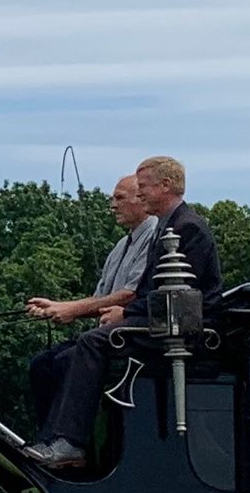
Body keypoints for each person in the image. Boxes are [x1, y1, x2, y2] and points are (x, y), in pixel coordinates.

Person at [22, 156, 223, 468]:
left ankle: (72, 443)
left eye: (143, 187)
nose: (140, 194)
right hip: (160, 321)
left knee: (93, 342)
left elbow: (177, 295)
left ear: (165, 186)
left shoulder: (187, 228)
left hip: (184, 330)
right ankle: (54, 438)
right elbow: (150, 291)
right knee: (55, 358)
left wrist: (125, 316)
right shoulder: (169, 226)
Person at [24, 174, 159, 429]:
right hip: (101, 335)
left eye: (119, 198)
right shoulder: (121, 245)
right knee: (41, 364)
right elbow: (100, 299)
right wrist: (56, 307)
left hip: (130, 337)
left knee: (67, 362)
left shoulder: (153, 237)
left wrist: (72, 308)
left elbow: (130, 294)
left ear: (141, 200)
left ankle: (69, 441)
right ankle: (47, 438)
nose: (112, 205)